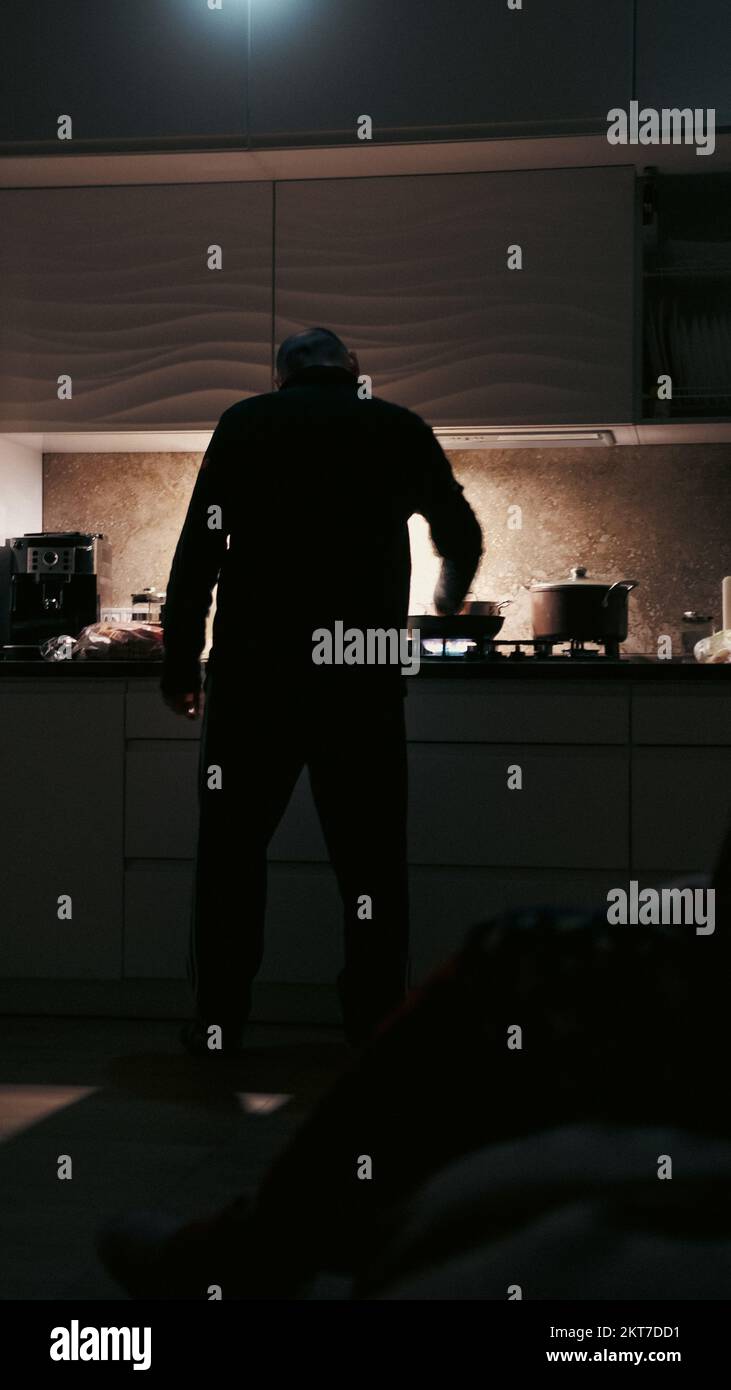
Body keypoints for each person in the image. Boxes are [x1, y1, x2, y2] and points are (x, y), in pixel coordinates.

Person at [98, 831, 731, 1299]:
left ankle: (264, 1242)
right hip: (351, 697)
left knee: (518, 953)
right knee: (368, 852)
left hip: (274, 688)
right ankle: (359, 1045)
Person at [160, 328, 483, 1053]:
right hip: (359, 681)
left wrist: (181, 664)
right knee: (369, 863)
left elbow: (199, 552)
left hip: (255, 676)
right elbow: (460, 532)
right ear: (354, 371)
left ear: (281, 376)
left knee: (231, 856)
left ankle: (218, 1022)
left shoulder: (245, 424)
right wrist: (449, 595)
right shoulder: (396, 426)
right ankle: (373, 1024)